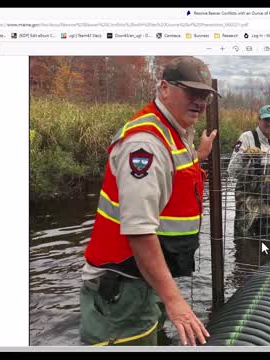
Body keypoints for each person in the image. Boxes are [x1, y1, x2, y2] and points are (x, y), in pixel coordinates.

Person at [79, 56, 219, 346]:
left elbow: (168, 175)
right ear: (164, 88)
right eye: (192, 92)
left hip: (143, 279)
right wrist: (175, 301)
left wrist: (198, 156)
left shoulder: (173, 133)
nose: (200, 102)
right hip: (122, 287)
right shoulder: (145, 144)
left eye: (205, 95)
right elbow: (139, 230)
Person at [226, 105, 270, 283]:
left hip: (269, 203)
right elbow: (231, 171)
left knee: (267, 240)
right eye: (266, 119)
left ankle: (264, 270)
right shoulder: (246, 138)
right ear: (259, 120)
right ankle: (244, 275)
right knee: (245, 238)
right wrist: (246, 157)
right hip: (247, 200)